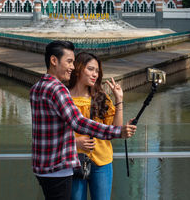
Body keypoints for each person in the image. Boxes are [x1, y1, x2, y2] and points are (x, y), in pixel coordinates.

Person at [30, 40, 136, 200]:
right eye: (69, 61)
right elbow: (78, 122)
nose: (72, 67)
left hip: (43, 167)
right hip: (60, 167)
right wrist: (118, 132)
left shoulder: (36, 88)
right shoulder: (58, 90)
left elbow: (46, 132)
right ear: (54, 61)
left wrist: (119, 101)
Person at [68, 52, 123, 200]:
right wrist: (75, 142)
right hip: (74, 161)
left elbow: (115, 131)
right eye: (91, 69)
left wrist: (119, 100)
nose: (95, 75)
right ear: (78, 69)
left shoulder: (100, 97)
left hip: (102, 162)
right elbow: (55, 131)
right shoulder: (65, 98)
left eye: (97, 71)